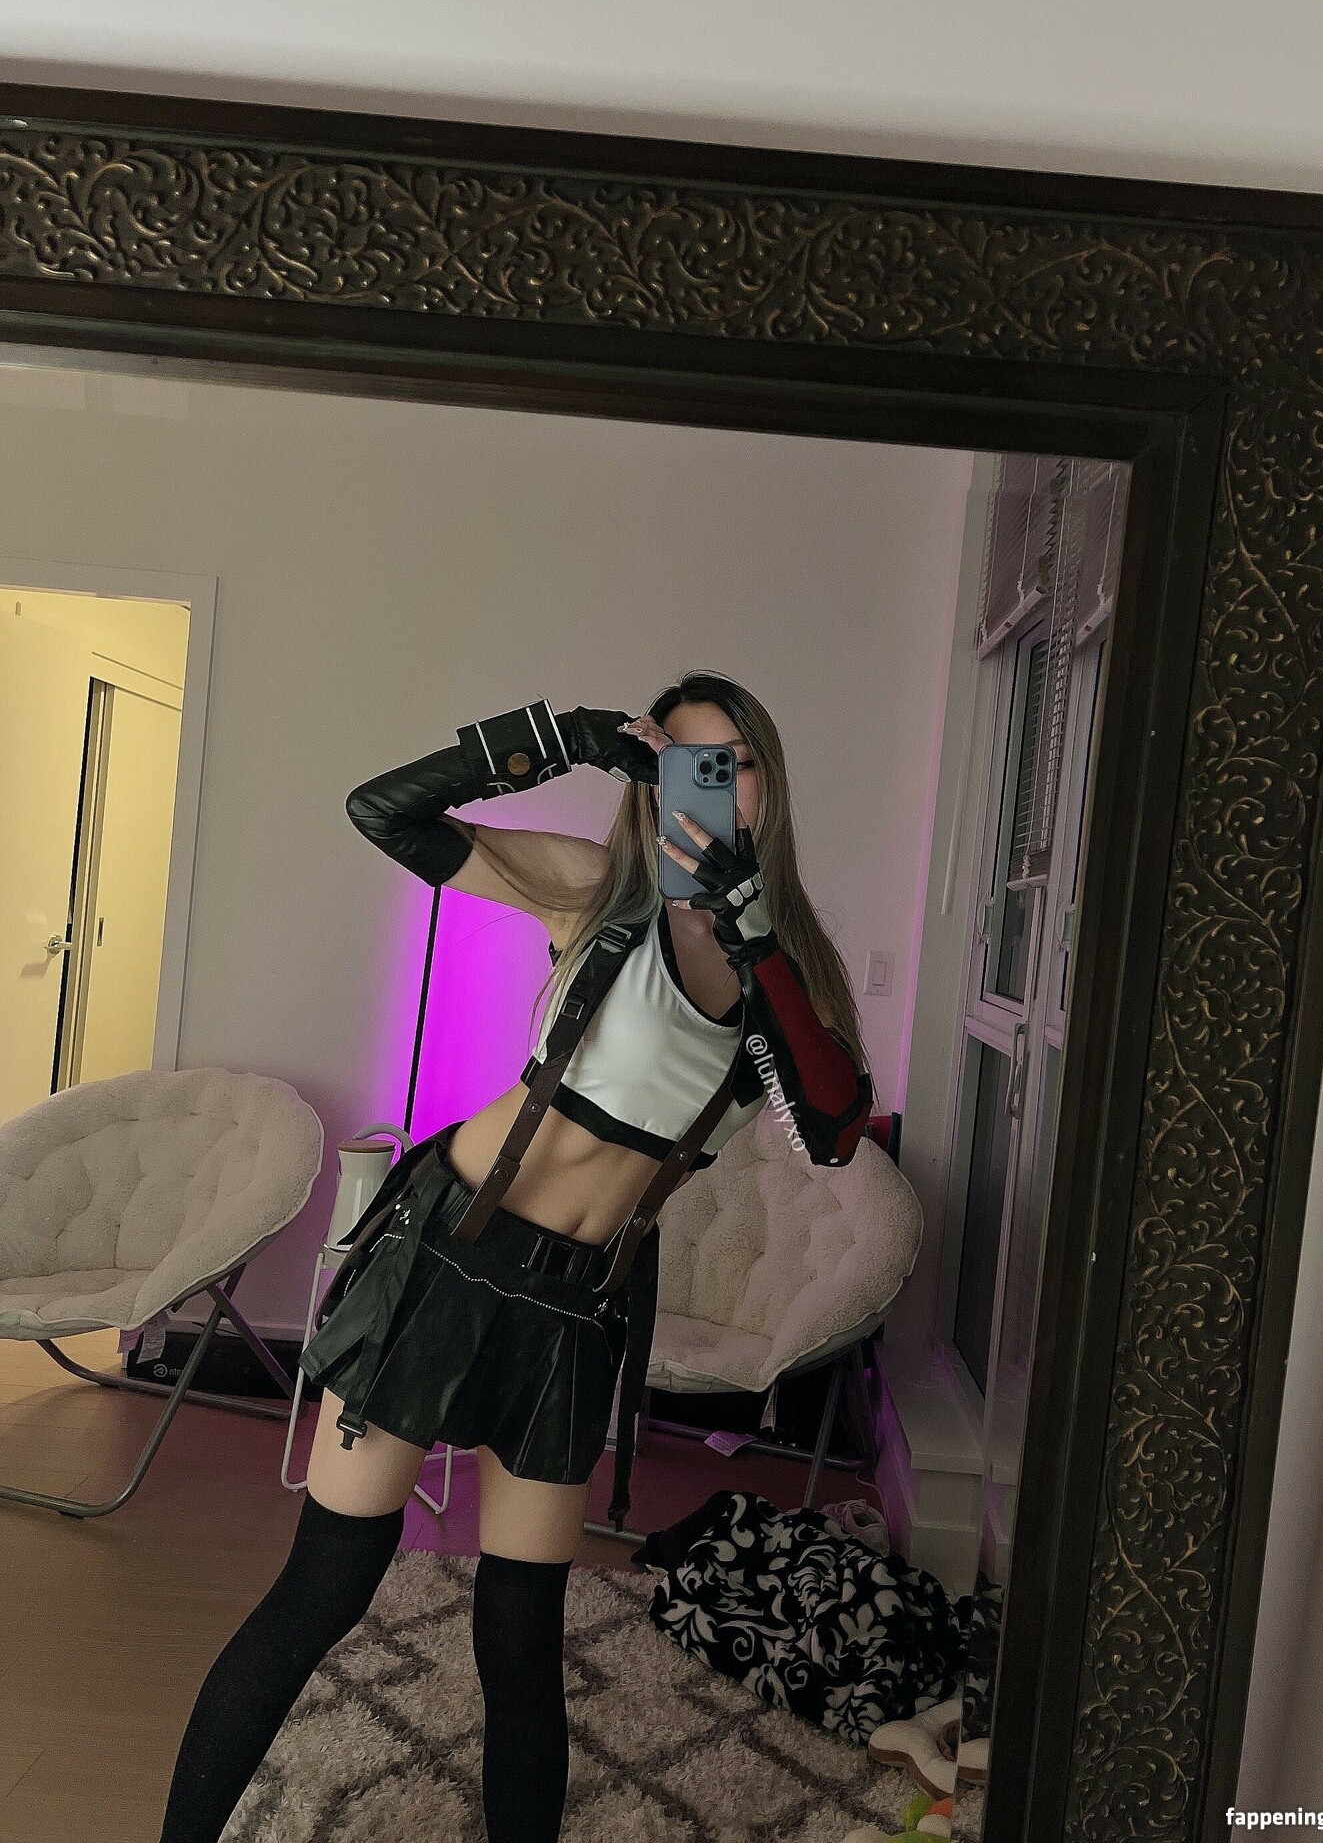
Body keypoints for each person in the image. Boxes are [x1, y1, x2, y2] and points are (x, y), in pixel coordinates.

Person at [156, 668, 873, 1843]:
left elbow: (835, 1127)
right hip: (446, 1258)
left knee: (523, 1634)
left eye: (731, 764)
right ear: (648, 782)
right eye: (678, 763)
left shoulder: (793, 979)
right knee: (325, 1590)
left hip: (573, 1315)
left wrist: (756, 945)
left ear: (769, 784)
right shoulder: (596, 893)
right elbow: (384, 812)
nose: (707, 787)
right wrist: (568, 737)